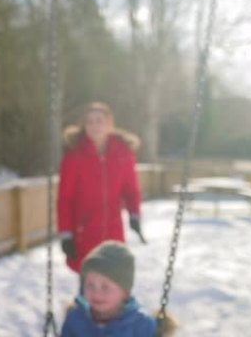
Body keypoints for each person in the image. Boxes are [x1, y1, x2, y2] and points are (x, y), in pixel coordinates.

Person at [57, 102, 145, 273]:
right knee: (90, 282)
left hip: (113, 229)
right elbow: (65, 199)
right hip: (84, 232)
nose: (94, 126)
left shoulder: (124, 153)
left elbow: (131, 190)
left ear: (109, 124)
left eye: (99, 120)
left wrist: (134, 214)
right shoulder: (74, 156)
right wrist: (66, 234)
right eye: (89, 121)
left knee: (114, 280)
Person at [61, 241, 156, 337]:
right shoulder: (75, 319)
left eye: (105, 287)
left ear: (125, 293)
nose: (96, 293)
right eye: (90, 285)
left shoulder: (140, 324)